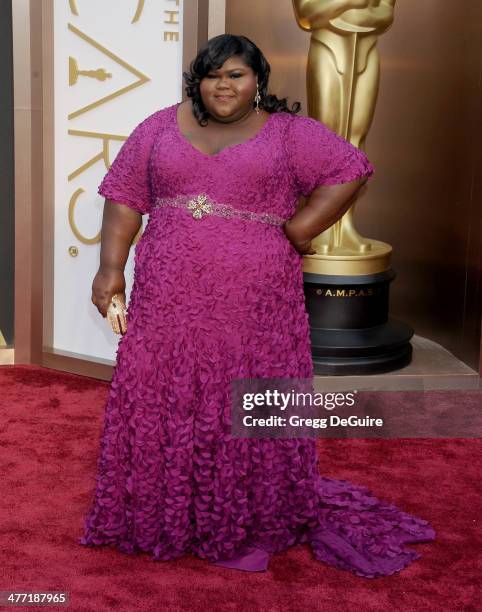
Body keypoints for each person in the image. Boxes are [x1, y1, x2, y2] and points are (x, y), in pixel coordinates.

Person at [79, 34, 435, 577]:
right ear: (197, 79)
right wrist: (110, 269)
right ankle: (156, 515)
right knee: (161, 384)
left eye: (237, 75)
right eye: (213, 74)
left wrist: (300, 229)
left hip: (255, 293)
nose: (224, 85)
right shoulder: (157, 126)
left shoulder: (289, 132)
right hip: (168, 286)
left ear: (258, 80)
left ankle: (242, 518)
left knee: (238, 389)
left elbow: (352, 168)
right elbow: (124, 199)